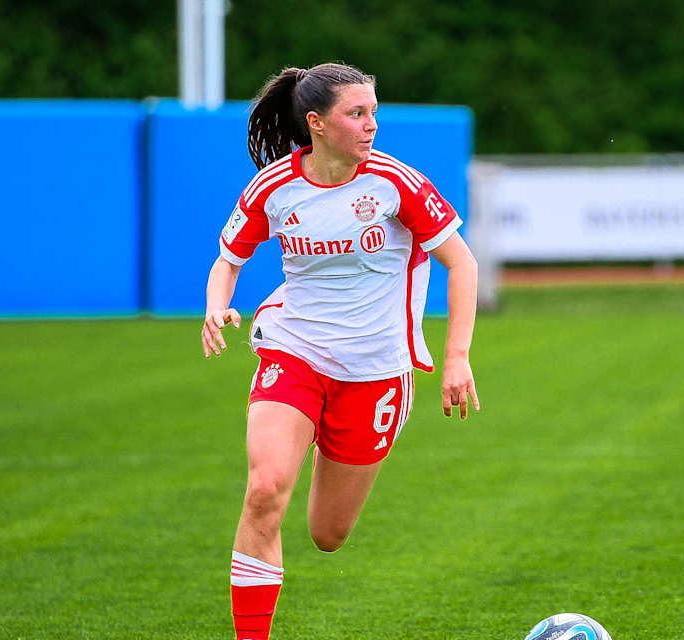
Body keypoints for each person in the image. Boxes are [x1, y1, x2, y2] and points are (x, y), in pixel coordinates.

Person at [200, 63, 481, 640]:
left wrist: (456, 357)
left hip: (376, 372)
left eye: (373, 111)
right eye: (357, 113)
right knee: (264, 491)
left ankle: (324, 439)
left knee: (328, 534)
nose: (371, 124)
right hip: (294, 352)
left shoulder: (396, 183)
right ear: (317, 123)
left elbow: (463, 263)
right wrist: (216, 306)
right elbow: (228, 260)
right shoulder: (273, 188)